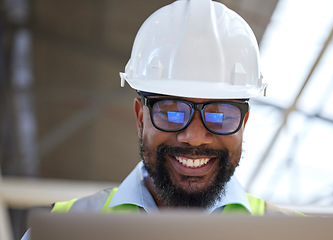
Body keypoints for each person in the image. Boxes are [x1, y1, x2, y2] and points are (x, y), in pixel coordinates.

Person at [22, 0, 302, 238]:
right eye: (171, 112)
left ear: (244, 122)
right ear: (140, 118)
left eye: (218, 115)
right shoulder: (68, 230)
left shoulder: (295, 234)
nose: (194, 136)